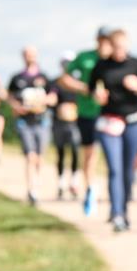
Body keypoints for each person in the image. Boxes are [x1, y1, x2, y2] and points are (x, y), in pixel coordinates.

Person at [91, 29, 137, 232]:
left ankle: (124, 211)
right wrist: (97, 95)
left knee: (127, 170)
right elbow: (92, 88)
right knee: (114, 169)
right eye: (116, 47)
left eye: (124, 47)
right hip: (110, 121)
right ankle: (116, 214)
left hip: (133, 122)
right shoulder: (102, 66)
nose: (120, 52)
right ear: (110, 46)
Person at [58, 27, 114, 216]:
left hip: (110, 113)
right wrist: (86, 89)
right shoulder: (84, 57)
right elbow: (64, 79)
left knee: (111, 155)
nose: (104, 42)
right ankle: (91, 189)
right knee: (89, 154)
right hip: (87, 112)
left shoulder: (116, 59)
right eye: (102, 39)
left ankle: (115, 194)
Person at [7, 46, 54, 206]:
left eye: (32, 54)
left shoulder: (44, 77)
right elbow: (9, 97)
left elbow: (53, 97)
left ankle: (38, 185)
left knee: (39, 158)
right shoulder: (17, 78)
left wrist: (43, 102)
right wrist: (16, 107)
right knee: (30, 156)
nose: (30, 57)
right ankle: (31, 190)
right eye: (27, 54)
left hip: (42, 121)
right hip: (24, 122)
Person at [49, 52, 83, 200]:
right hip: (59, 122)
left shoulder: (79, 83)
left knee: (76, 151)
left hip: (75, 123)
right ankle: (61, 183)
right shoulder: (55, 82)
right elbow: (51, 98)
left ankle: (74, 181)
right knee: (61, 152)